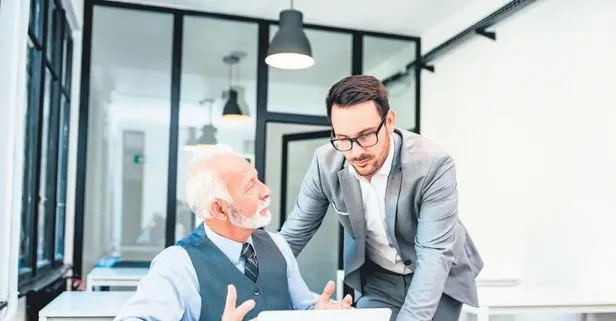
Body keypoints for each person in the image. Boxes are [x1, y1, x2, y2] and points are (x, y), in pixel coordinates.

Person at [278, 75, 484, 321]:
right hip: (379, 278)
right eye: (343, 139)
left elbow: (433, 255)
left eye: (366, 136)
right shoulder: (326, 163)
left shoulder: (432, 164)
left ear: (389, 121)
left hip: (437, 279)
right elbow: (293, 235)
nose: (356, 152)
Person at [114, 145, 352, 321]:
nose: (266, 191)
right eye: (250, 186)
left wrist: (320, 314)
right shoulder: (178, 264)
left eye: (258, 179)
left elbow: (304, 308)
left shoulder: (278, 245)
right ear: (219, 208)